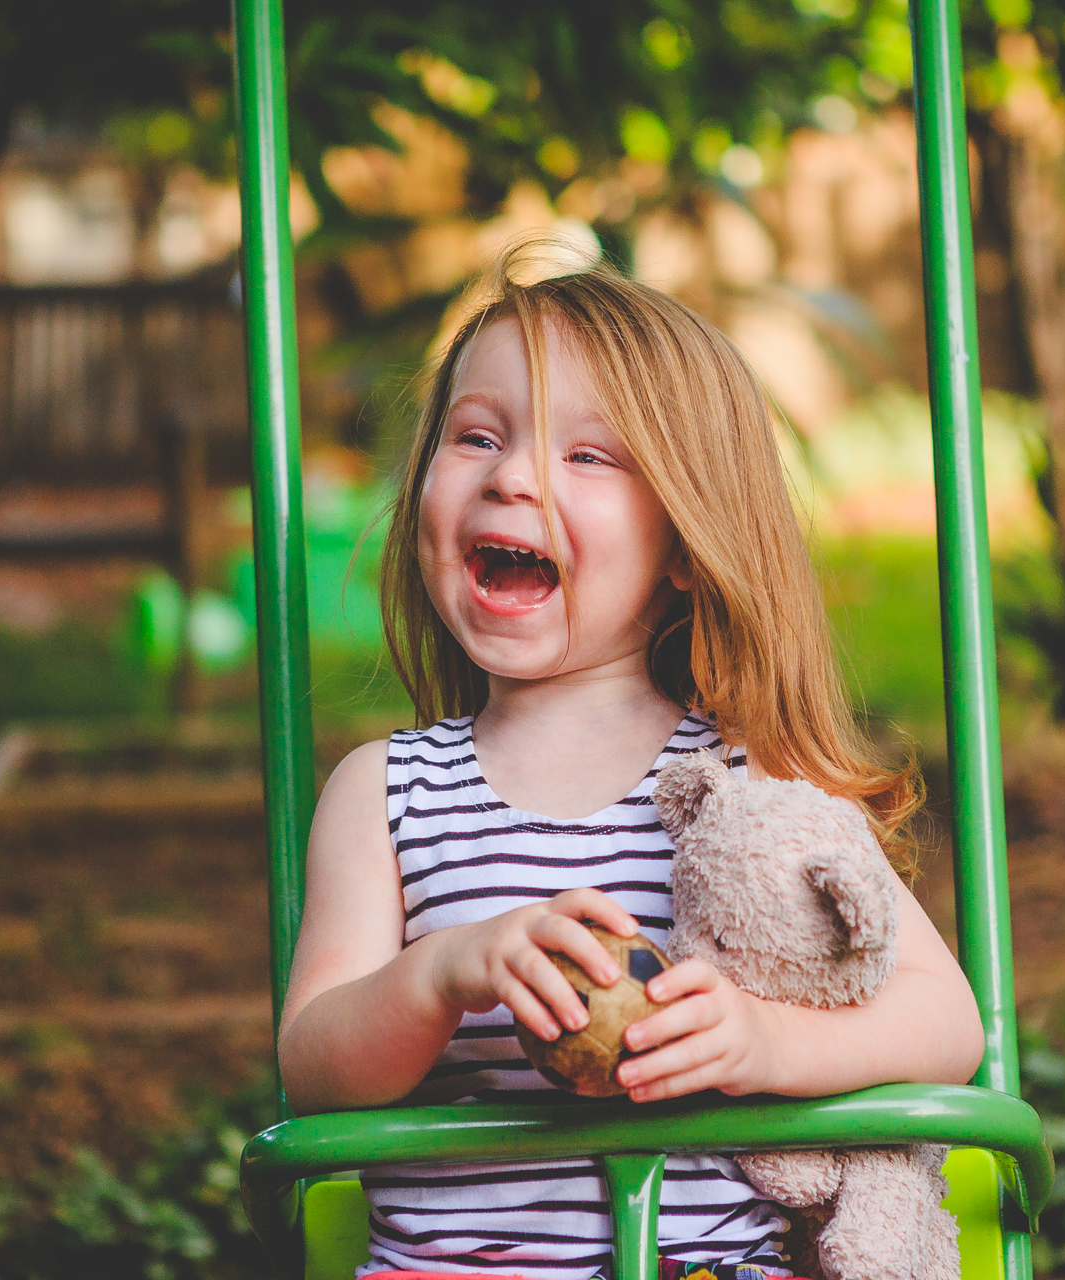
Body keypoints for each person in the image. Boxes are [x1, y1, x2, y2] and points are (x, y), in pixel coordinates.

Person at [277, 240, 987, 1280]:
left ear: (688, 546)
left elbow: (945, 1018)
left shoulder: (752, 785)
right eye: (477, 435)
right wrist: (441, 973)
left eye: (588, 456)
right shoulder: (387, 794)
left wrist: (762, 1041)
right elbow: (314, 1065)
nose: (512, 477)